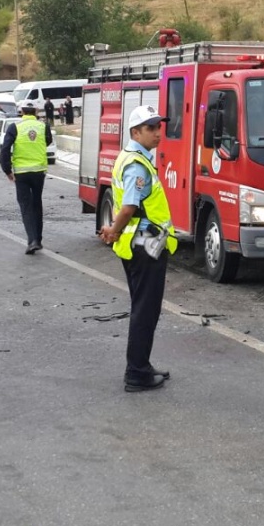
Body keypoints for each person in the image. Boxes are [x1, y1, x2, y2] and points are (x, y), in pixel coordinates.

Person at [98, 105, 177, 393]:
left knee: (143, 307)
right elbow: (130, 206)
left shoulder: (132, 158)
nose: (158, 133)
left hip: (140, 244)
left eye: (159, 127)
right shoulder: (136, 165)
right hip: (145, 246)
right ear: (135, 132)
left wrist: (113, 231)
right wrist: (114, 230)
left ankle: (142, 365)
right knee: (146, 310)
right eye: (151, 128)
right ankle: (137, 372)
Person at [0, 102, 51, 254]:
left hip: (21, 173)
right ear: (36, 111)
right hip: (39, 171)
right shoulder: (43, 126)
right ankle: (38, 239)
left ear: (21, 111)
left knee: (25, 206)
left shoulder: (15, 127)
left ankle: (32, 240)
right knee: (37, 204)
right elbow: (48, 141)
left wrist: (7, 170)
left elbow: (5, 149)